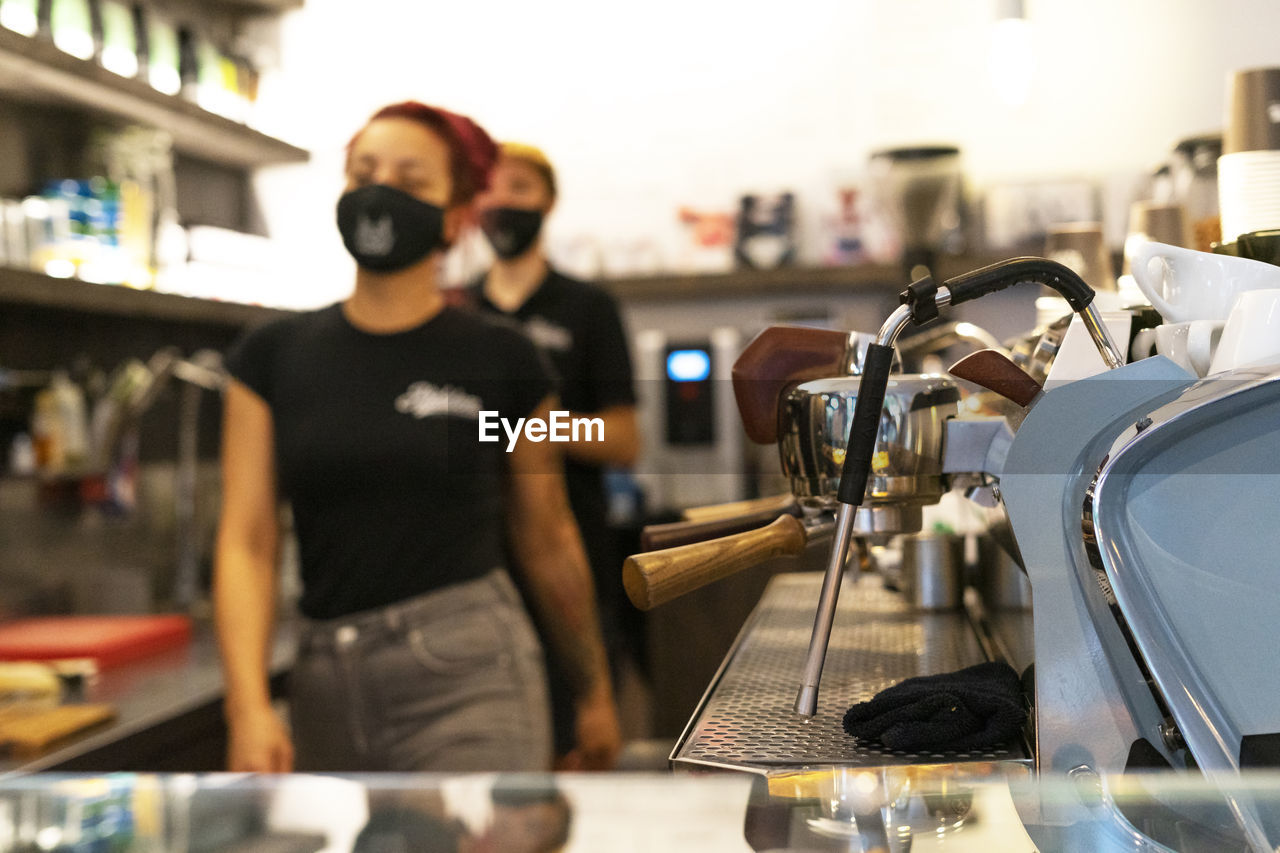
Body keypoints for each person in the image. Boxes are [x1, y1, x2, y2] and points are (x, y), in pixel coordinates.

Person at [214, 101, 621, 773]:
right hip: (324, 682)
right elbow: (247, 541)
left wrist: (595, 691)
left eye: (410, 180)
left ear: (457, 215)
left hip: (469, 671)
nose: (380, 193)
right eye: (364, 173)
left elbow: (547, 537)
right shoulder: (270, 357)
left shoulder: (505, 360)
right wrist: (248, 707)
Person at [464, 143, 640, 765]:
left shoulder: (587, 308)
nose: (503, 203)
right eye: (490, 189)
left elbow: (623, 440)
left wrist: (529, 429)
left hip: (575, 558)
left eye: (519, 188)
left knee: (574, 757)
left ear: (548, 202)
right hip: (474, 572)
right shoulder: (454, 311)